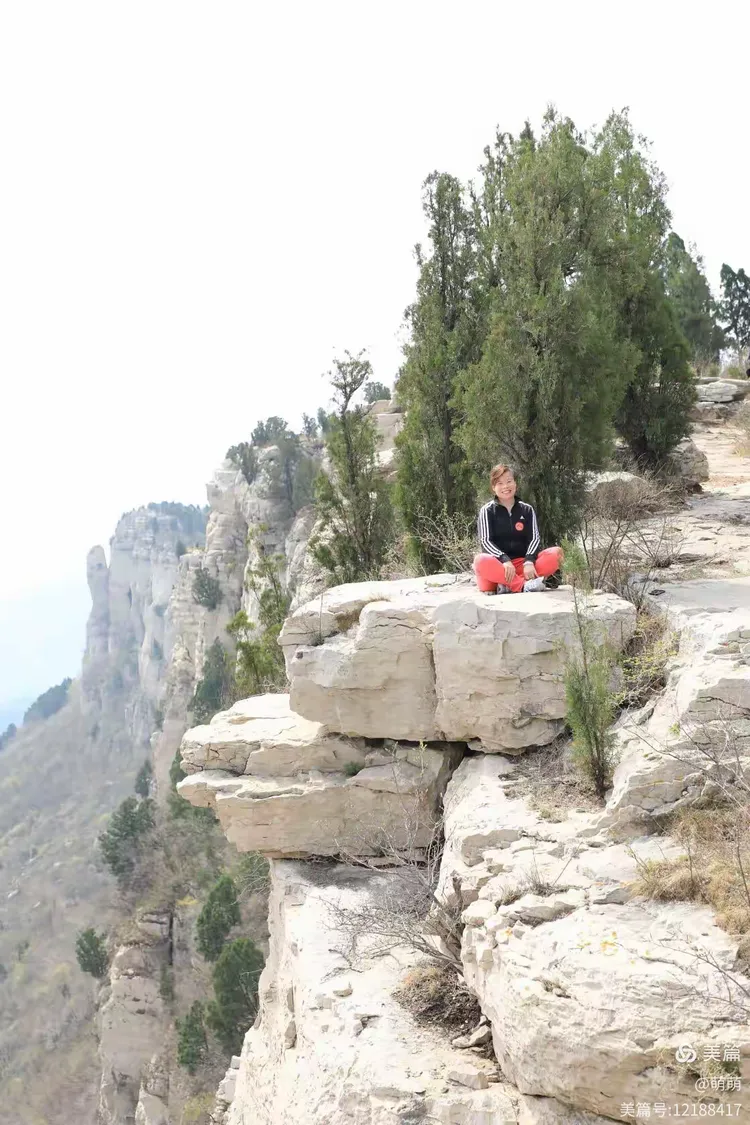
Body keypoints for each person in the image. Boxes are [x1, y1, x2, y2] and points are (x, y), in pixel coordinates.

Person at [473, 463, 563, 594]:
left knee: (557, 554)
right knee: (480, 561)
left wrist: (529, 561)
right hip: (498, 567)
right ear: (493, 488)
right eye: (500, 483)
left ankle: (508, 586)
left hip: (522, 566)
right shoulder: (487, 511)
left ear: (515, 484)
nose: (505, 486)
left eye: (509, 481)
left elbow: (534, 538)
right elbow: (486, 541)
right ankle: (523, 586)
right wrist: (505, 560)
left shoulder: (526, 509)